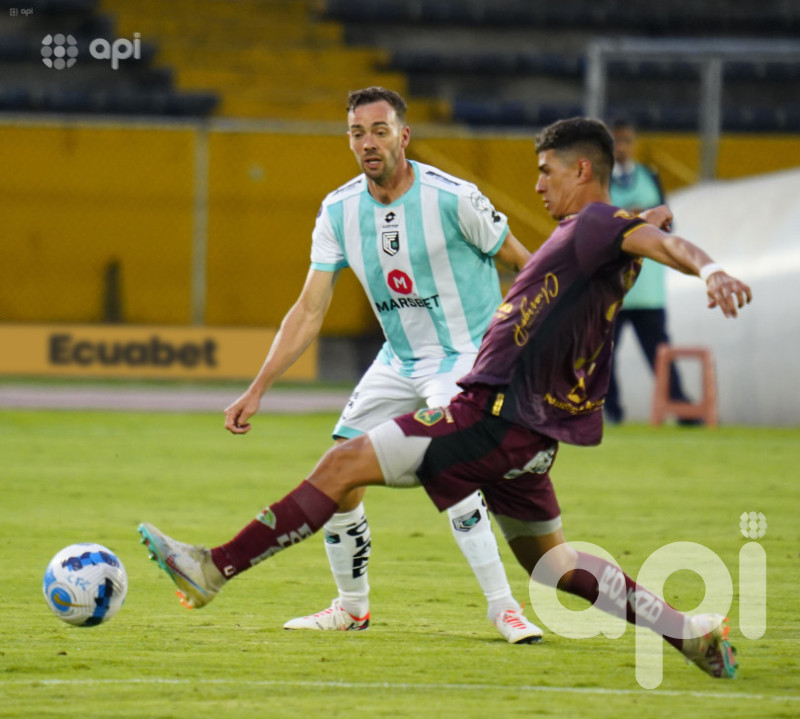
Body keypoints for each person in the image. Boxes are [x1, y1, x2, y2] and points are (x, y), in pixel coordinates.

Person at [139, 117, 751, 678]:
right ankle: (687, 632)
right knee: (554, 566)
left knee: (342, 462)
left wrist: (711, 268)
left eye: (545, 171)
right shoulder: (587, 238)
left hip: (491, 415)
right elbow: (634, 238)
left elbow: (658, 244)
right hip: (530, 435)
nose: (536, 185)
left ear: (581, 170)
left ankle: (212, 569)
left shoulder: (595, 224)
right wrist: (652, 220)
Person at [220, 87, 540, 643]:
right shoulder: (338, 210)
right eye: (356, 133)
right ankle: (351, 606)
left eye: (379, 130)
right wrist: (257, 389)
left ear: (403, 135)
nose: (368, 143)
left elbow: (526, 264)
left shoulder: (453, 197)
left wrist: (521, 343)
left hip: (464, 355)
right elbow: (309, 309)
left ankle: (503, 607)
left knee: (451, 464)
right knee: (341, 468)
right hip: (398, 359)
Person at [605, 119, 694, 424]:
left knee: (660, 355)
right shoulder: (599, 180)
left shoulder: (649, 177)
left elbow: (669, 223)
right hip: (614, 286)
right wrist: (638, 216)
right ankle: (610, 412)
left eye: (627, 140)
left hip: (647, 287)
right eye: (617, 140)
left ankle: (682, 409)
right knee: (603, 358)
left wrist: (634, 217)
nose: (622, 147)